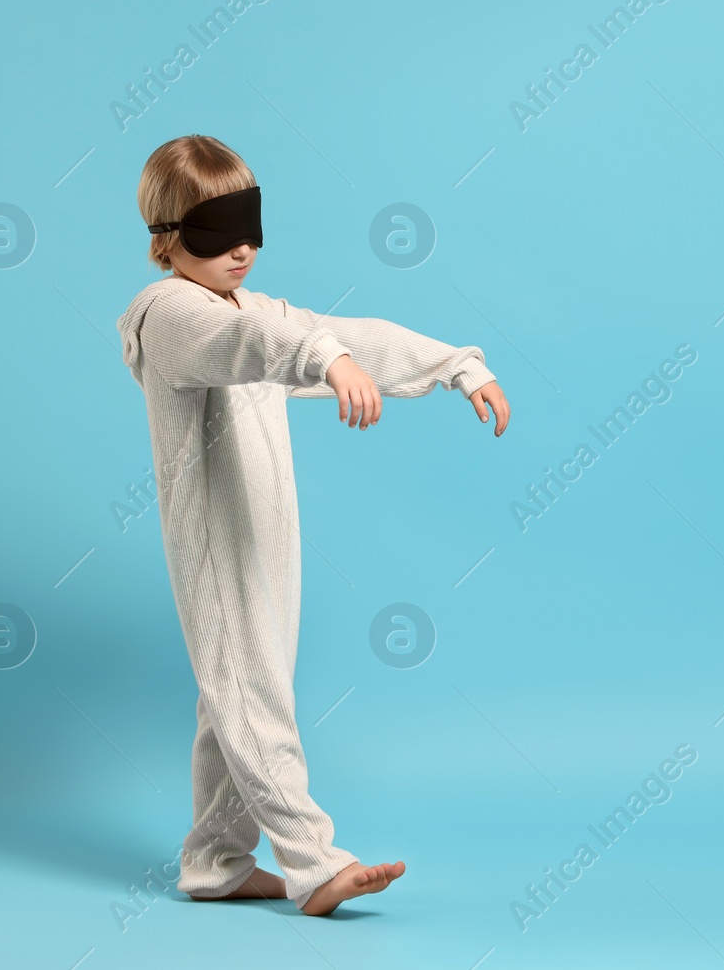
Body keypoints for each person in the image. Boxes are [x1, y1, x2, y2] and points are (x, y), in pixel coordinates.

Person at [115, 134, 510, 916]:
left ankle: (216, 861)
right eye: (218, 229)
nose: (242, 248)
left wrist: (457, 364)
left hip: (267, 540)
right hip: (217, 548)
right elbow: (247, 344)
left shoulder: (255, 308)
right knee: (251, 691)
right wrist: (324, 360)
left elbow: (349, 333)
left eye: (251, 227)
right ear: (168, 235)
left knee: (235, 693)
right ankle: (314, 860)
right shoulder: (168, 315)